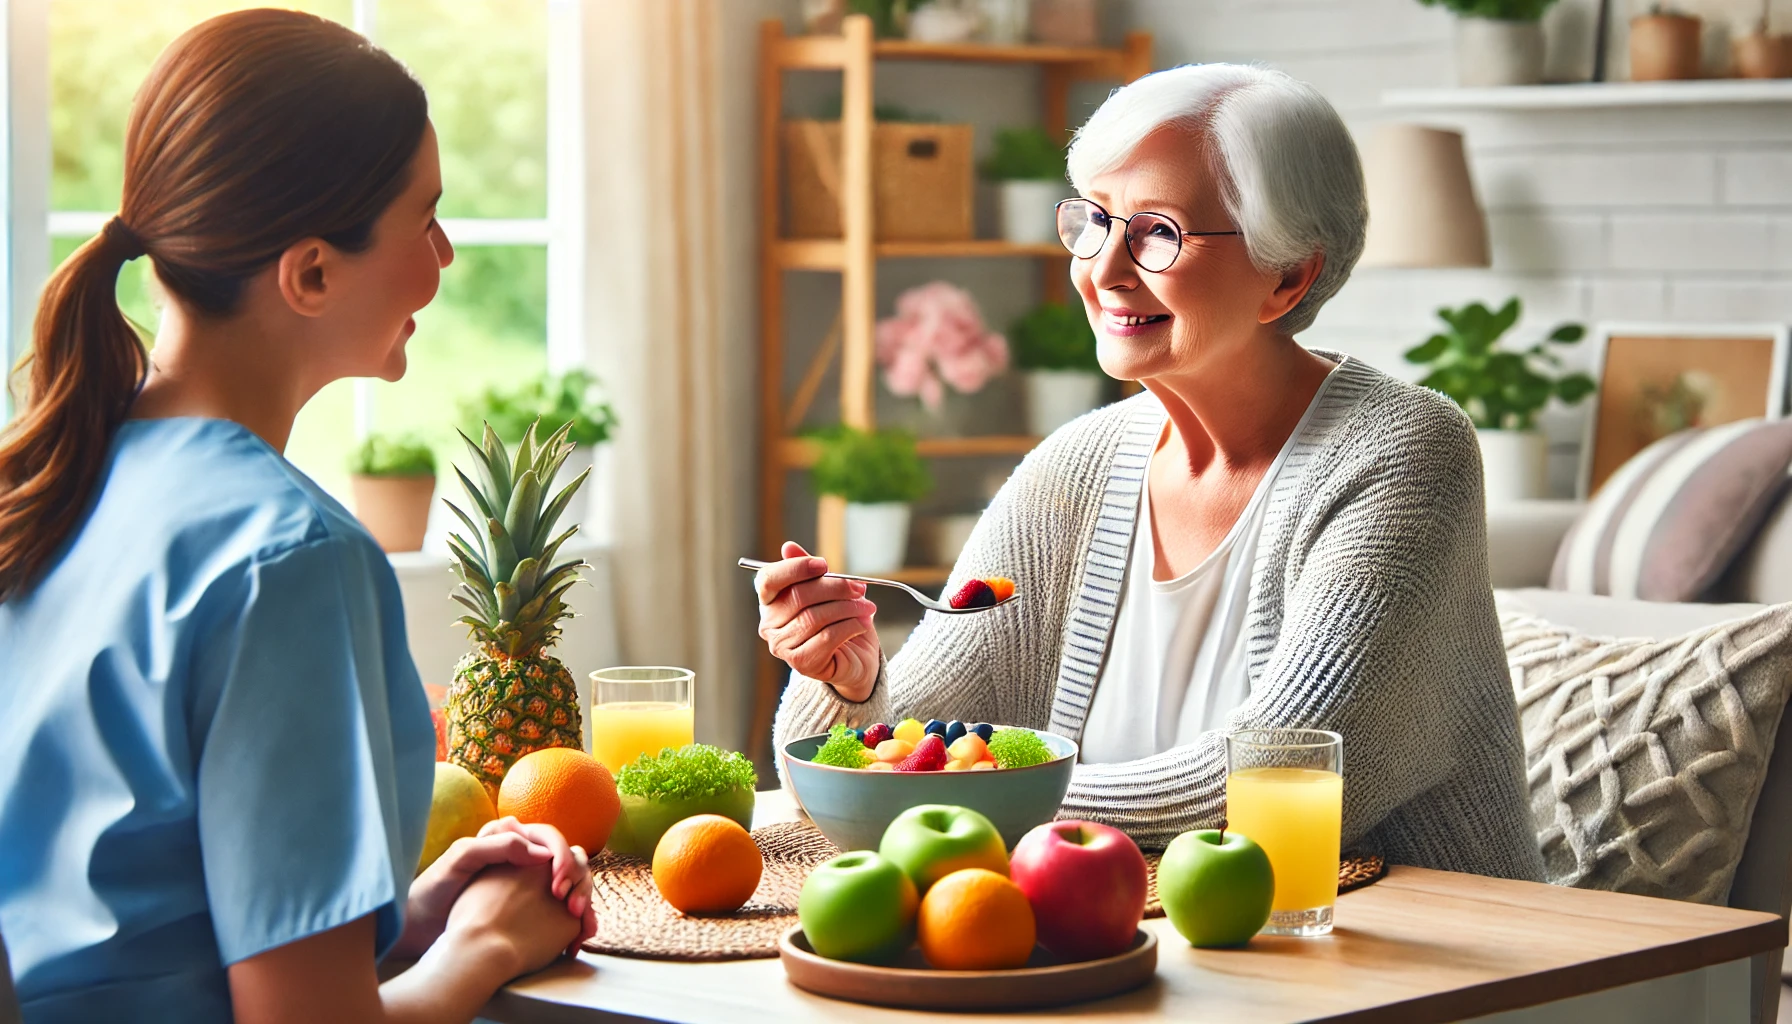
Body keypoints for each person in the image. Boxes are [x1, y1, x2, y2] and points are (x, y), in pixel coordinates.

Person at [757, 64, 1545, 881]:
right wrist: (848, 684)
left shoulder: (1403, 452)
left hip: (1411, 960)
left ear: (1288, 276)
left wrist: (962, 798)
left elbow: (1275, 778)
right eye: (1095, 221)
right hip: (1147, 940)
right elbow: (869, 767)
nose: (1105, 269)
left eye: (1159, 232)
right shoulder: (1074, 468)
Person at [0, 10, 594, 1022]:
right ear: (312, 271)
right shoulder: (289, 560)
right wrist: (482, 947)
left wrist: (402, 916)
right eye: (425, 220)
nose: (444, 258)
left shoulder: (53, 480)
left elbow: (135, 912)